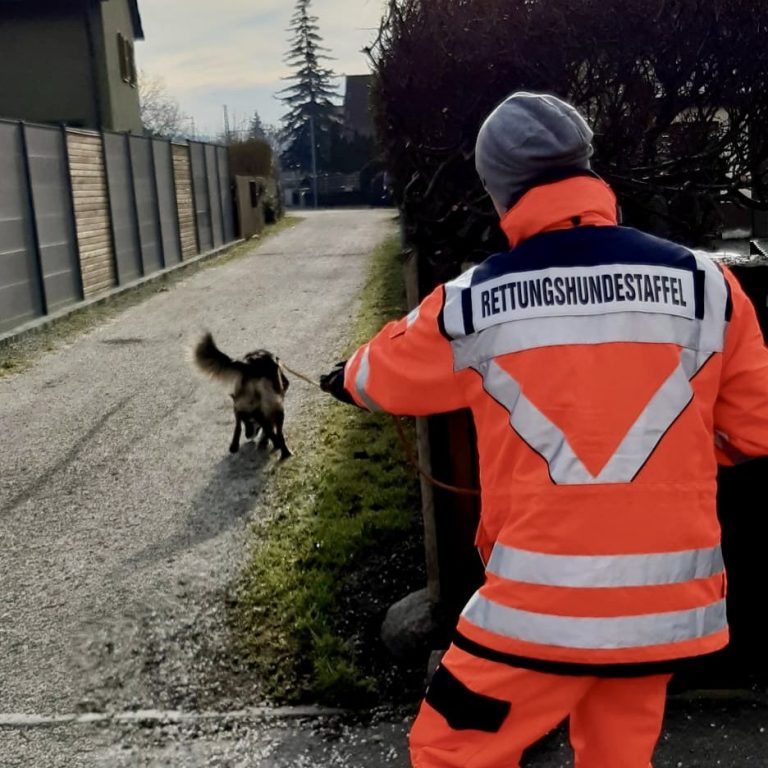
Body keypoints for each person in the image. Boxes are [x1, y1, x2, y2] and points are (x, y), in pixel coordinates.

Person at [319, 92, 768, 767]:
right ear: (588, 169)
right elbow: (753, 429)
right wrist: (673, 458)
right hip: (669, 607)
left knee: (448, 748)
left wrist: (341, 378)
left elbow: (382, 375)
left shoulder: (473, 304)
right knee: (617, 755)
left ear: (501, 191)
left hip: (539, 612)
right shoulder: (710, 285)